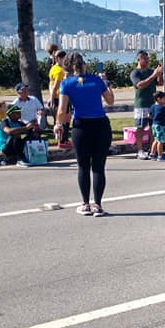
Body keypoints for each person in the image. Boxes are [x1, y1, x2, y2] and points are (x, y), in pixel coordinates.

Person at [55, 52, 114, 217]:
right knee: (98, 167)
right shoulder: (96, 81)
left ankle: (85, 203)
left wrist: (58, 125)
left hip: (81, 126)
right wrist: (105, 81)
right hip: (101, 125)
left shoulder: (66, 83)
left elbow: (61, 110)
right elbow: (110, 100)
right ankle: (98, 205)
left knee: (83, 166)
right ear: (83, 64)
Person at [130, 50, 164, 159]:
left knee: (152, 127)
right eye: (144, 58)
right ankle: (140, 150)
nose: (147, 60)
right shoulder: (135, 73)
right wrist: (153, 75)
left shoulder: (150, 71)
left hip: (152, 104)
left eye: (147, 58)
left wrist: (159, 74)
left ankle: (152, 150)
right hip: (141, 104)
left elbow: (160, 83)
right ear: (138, 59)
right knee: (140, 127)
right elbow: (140, 85)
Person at [49, 50, 71, 148]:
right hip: (60, 97)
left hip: (59, 96)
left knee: (64, 118)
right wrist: (52, 99)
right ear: (61, 58)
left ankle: (63, 140)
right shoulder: (59, 71)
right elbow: (55, 86)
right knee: (63, 120)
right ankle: (62, 140)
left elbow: (50, 84)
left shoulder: (53, 68)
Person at [148, 91, 165, 160]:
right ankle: (160, 156)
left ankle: (152, 154)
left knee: (156, 140)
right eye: (164, 98)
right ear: (158, 99)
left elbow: (149, 115)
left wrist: (154, 118)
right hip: (160, 125)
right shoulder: (162, 108)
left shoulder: (152, 106)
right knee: (160, 141)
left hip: (154, 125)